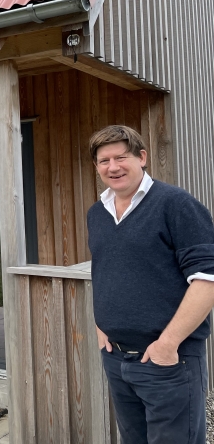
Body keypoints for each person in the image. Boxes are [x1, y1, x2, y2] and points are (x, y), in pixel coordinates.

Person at [87, 125, 214, 443]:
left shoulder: (175, 204)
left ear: (142, 157)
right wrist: (103, 326)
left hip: (169, 361)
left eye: (121, 157)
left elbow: (207, 279)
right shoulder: (97, 213)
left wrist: (167, 345)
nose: (113, 167)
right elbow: (104, 269)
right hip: (116, 358)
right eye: (104, 160)